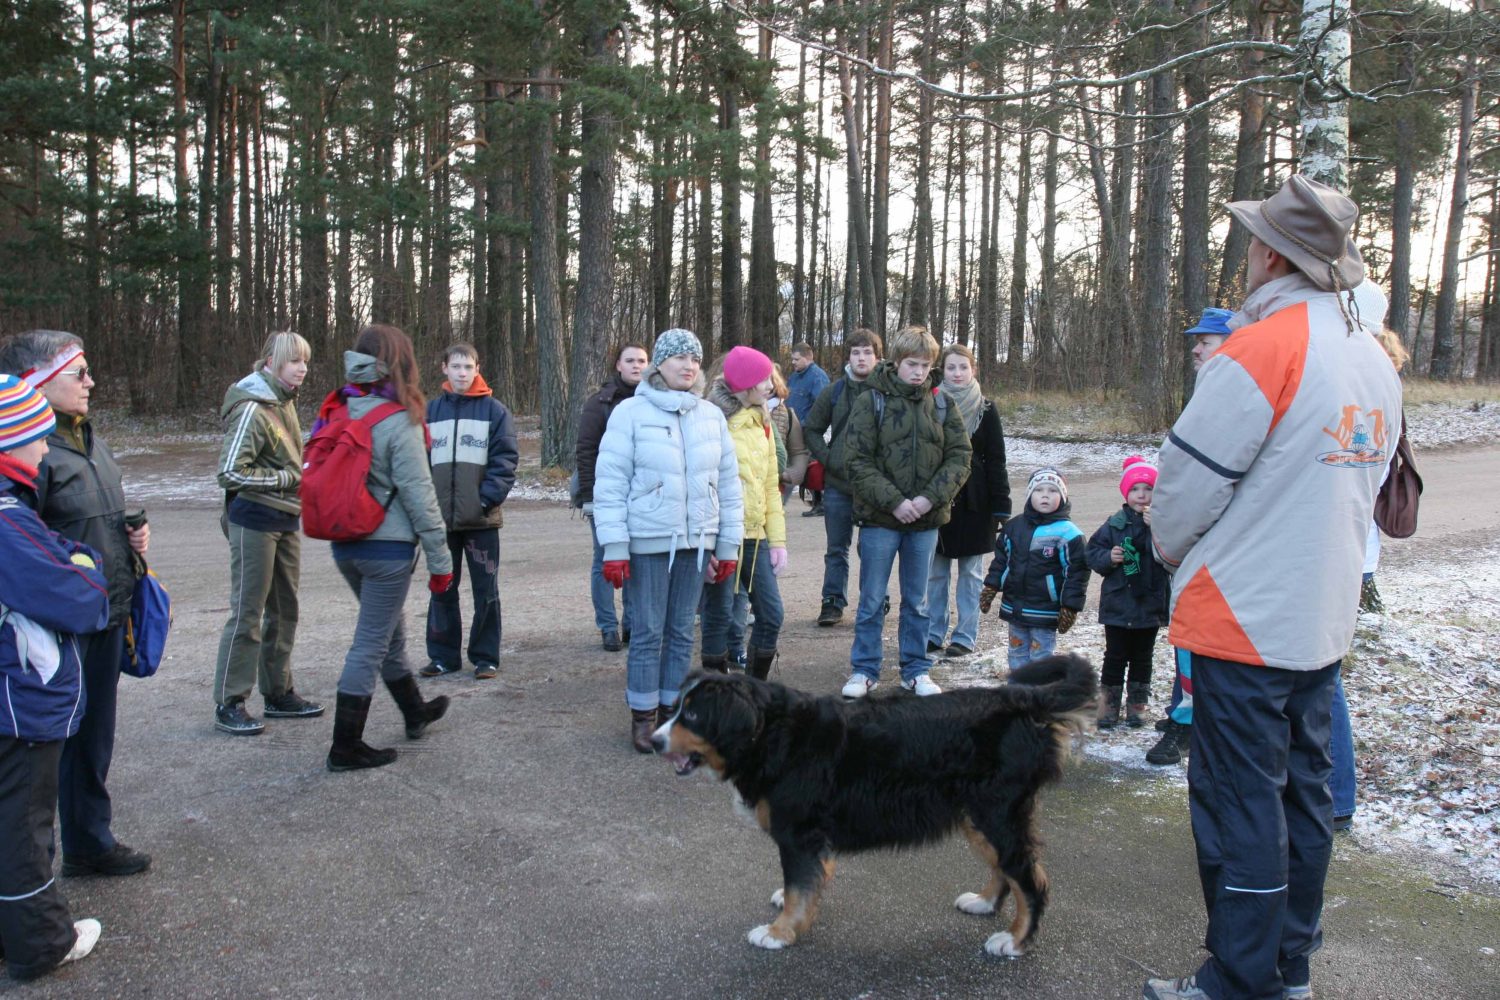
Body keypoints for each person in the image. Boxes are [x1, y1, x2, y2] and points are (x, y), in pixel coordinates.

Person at [1143, 175, 1403, 1000]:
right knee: (1303, 796)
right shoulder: (1372, 354)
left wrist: (1167, 548)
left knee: (1237, 801)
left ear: (1269, 256)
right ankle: (1288, 963)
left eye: (1252, 242)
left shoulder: (1263, 347)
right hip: (1320, 616)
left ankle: (1238, 976)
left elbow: (1184, 485)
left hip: (1243, 615)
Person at [0, 331, 150, 877]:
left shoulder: (89, 440)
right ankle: (28, 878)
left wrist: (133, 536)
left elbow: (94, 516)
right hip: (56, 628)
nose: (91, 382)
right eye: (78, 373)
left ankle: (89, 841)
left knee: (93, 736)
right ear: (38, 383)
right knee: (43, 750)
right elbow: (22, 543)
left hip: (106, 610)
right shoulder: (28, 452)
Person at [0, 374, 106, 980]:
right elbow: (80, 595)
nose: (45, 450)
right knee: (23, 821)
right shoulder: (9, 522)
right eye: (36, 438)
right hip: (18, 698)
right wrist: (84, 559)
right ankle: (41, 941)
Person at [593, 328, 743, 752]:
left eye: (694, 359)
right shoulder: (629, 414)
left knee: (680, 631)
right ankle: (641, 716)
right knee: (647, 631)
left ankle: (670, 714)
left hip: (697, 544)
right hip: (648, 542)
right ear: (659, 363)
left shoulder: (711, 416)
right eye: (679, 358)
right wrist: (616, 547)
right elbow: (610, 485)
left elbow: (729, 487)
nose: (689, 366)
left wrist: (727, 546)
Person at [317, 324, 454, 772]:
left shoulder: (339, 407)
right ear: (403, 363)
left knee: (388, 632)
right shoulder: (399, 418)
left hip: (345, 544)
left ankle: (414, 710)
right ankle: (345, 746)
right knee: (371, 642)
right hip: (387, 551)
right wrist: (440, 560)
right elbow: (419, 494)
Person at [839, 325, 971, 699]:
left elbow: (960, 457)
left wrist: (929, 499)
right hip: (881, 519)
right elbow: (856, 460)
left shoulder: (943, 404)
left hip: (926, 522)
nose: (919, 372)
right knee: (871, 598)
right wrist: (896, 501)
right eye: (912, 363)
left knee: (918, 601)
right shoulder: (871, 401)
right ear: (896, 362)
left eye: (926, 365)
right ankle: (864, 670)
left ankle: (915, 669)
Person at [211, 331, 323, 736]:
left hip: (285, 520)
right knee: (248, 613)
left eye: (305, 361)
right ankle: (230, 701)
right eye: (294, 360)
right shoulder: (253, 408)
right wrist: (287, 477)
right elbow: (229, 472)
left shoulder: (285, 403)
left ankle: (278, 693)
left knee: (285, 610)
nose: (302, 368)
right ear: (273, 361)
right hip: (253, 521)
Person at [1148, 307, 1238, 763]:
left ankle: (1187, 725)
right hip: (1199, 544)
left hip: (1211, 548)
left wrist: (1172, 541)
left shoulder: (1231, 394)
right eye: (1196, 339)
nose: (1196, 348)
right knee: (1188, 635)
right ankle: (1181, 710)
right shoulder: (1209, 388)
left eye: (1207, 340)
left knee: (1198, 637)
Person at [421, 342, 518, 681]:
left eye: (468, 367)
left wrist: (484, 500)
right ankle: (443, 656)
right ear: (444, 368)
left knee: (486, 592)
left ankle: (485, 657)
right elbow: (418, 462)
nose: (462, 373)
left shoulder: (495, 411)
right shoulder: (430, 411)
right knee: (442, 588)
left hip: (481, 521)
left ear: (478, 369)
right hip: (440, 522)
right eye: (456, 366)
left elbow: (505, 462)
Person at [701, 346, 786, 681]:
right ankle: (715, 692)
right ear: (747, 383)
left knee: (772, 614)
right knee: (719, 617)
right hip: (723, 538)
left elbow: (769, 485)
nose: (771, 385)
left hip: (756, 538)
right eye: (764, 379)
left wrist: (777, 540)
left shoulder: (763, 423)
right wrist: (707, 543)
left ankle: (755, 690)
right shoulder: (712, 421)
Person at [924, 343, 1010, 659]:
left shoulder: (986, 409)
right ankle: (933, 633)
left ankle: (965, 636)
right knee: (936, 572)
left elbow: (996, 459)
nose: (957, 373)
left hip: (977, 503)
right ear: (942, 370)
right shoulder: (930, 404)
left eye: (963, 367)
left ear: (973, 370)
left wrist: (1002, 506)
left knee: (971, 574)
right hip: (938, 499)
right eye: (951, 367)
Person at [803, 329, 882, 626]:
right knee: (837, 548)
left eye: (867, 352)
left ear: (877, 356)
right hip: (838, 485)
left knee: (874, 548)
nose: (862, 358)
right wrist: (829, 459)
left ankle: (875, 600)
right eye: (856, 352)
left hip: (875, 488)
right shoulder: (834, 391)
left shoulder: (886, 390)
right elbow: (811, 429)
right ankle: (832, 601)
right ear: (848, 357)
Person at [1085, 456, 1169, 729]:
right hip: (1118, 604)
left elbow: (1174, 552)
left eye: (1148, 488)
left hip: (1150, 603)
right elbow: (1092, 552)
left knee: (1143, 656)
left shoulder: (1162, 523)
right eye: (1135, 489)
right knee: (1115, 656)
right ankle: (1108, 705)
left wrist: (1157, 527)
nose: (1142, 495)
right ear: (1125, 493)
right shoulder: (1115, 524)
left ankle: (1137, 704)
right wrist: (1109, 556)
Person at [574, 343, 648, 652]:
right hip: (605, 494)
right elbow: (586, 452)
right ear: (617, 365)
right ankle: (607, 626)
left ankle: (632, 623)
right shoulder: (600, 403)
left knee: (638, 559)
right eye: (630, 360)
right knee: (604, 558)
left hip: (643, 496)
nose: (636, 366)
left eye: (642, 361)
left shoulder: (654, 401)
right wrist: (591, 498)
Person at [978, 468, 1086, 673]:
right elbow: (1002, 561)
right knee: (1016, 651)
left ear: (1063, 497)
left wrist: (1069, 607)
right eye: (1039, 490)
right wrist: (991, 587)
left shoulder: (1068, 534)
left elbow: (1076, 573)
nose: (1045, 495)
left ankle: (1039, 693)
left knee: (1040, 655)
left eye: (1053, 491)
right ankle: (1018, 691)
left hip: (1045, 609)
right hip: (1014, 605)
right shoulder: (1014, 527)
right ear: (1029, 495)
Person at [785, 343, 829, 514]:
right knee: (794, 466)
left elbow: (822, 406)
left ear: (807, 358)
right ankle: (811, 501)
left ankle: (820, 502)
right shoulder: (794, 377)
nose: (793, 362)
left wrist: (809, 425)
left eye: (796, 359)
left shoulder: (818, 378)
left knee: (812, 466)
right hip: (793, 429)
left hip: (808, 430)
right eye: (792, 359)